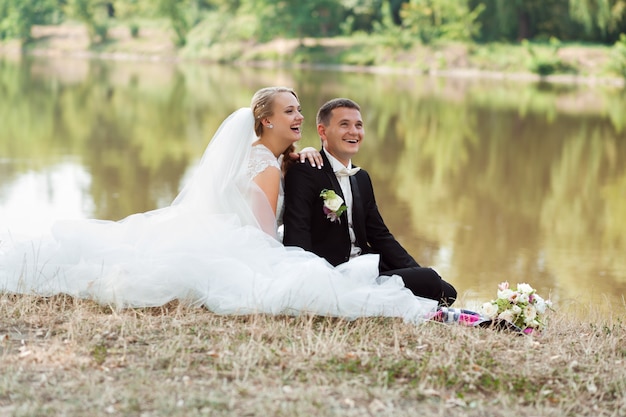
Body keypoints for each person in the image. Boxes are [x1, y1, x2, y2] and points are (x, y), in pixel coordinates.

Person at [0, 87, 440, 324]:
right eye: (290, 111)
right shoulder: (267, 166)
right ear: (266, 119)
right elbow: (266, 236)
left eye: (300, 109)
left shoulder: (278, 160)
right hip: (247, 245)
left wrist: (301, 155)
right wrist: (291, 266)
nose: (298, 117)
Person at [283, 98, 457, 306]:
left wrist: (416, 270)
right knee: (429, 281)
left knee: (447, 290)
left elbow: (380, 235)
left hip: (366, 266)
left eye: (358, 125)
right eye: (344, 124)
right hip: (332, 272)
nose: (354, 132)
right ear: (322, 131)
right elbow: (297, 233)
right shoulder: (305, 172)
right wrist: (309, 281)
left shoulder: (361, 177)